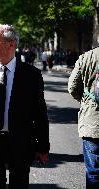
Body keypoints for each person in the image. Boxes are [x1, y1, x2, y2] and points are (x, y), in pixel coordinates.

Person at [0, 24, 50, 189]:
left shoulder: (31, 75)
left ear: (11, 44)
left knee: (19, 184)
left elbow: (40, 113)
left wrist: (43, 147)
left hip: (20, 142)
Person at [68, 47, 99, 189]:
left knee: (94, 171)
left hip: (93, 122)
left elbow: (73, 87)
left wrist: (87, 101)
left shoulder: (87, 57)